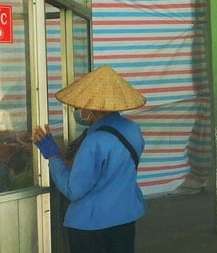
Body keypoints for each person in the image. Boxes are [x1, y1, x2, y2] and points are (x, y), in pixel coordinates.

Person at [33, 65, 147, 253]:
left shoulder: (94, 141)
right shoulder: (132, 129)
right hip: (125, 220)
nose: (77, 109)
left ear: (92, 108)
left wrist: (52, 155)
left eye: (80, 105)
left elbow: (73, 190)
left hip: (91, 228)